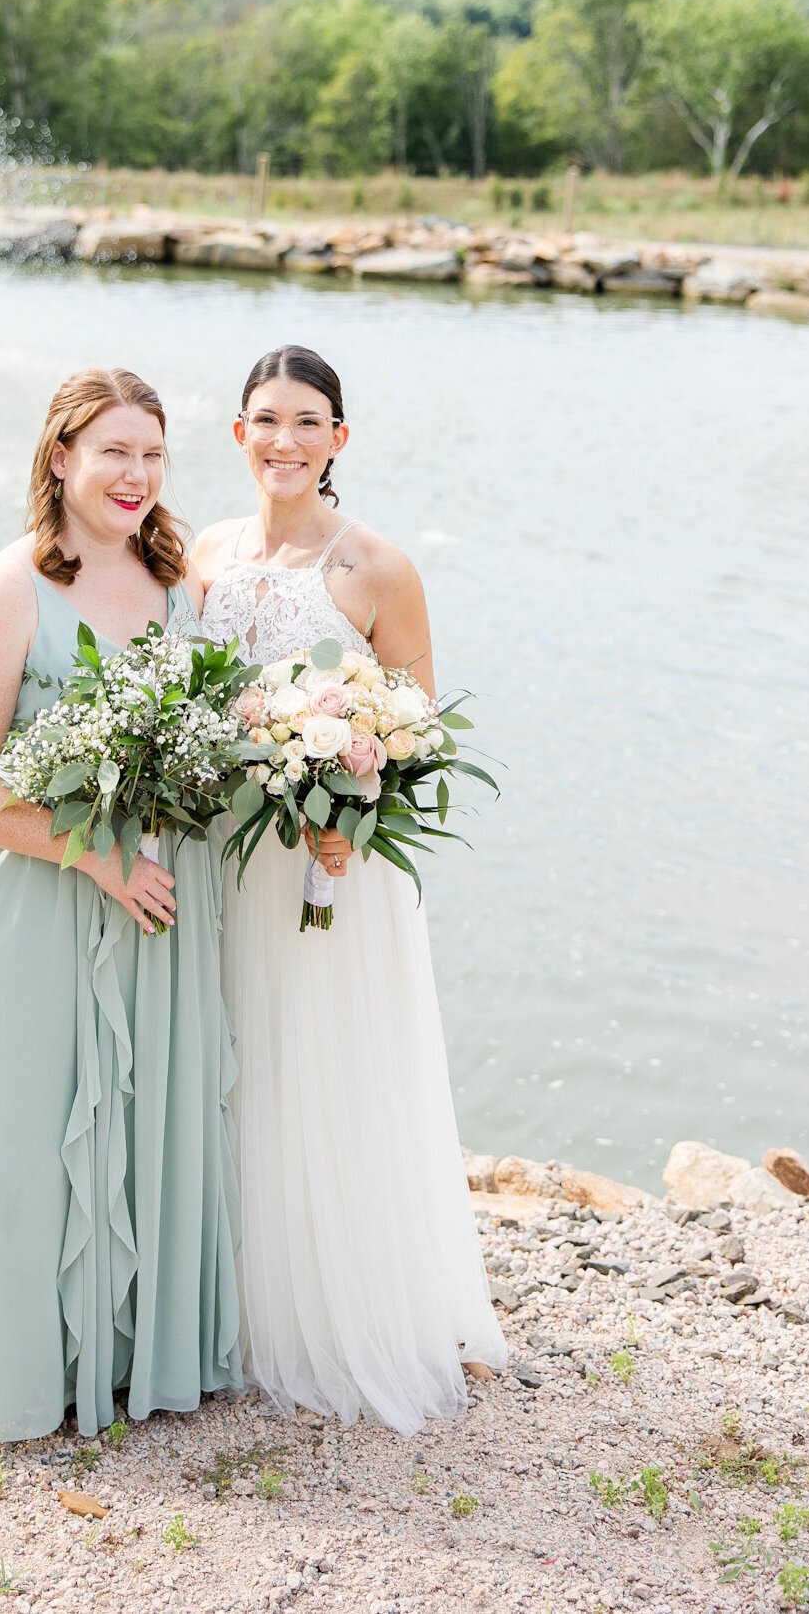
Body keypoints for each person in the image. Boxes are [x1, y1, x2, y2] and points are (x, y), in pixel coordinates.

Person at [192, 342, 505, 1433]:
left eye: (308, 421)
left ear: (339, 439)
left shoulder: (377, 568)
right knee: (232, 1060)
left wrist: (349, 826)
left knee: (327, 1064)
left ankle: (335, 1313)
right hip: (228, 849)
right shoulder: (198, 556)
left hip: (334, 861)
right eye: (265, 420)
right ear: (238, 434)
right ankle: (225, 1304)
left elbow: (416, 731)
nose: (285, 439)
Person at [0, 366, 240, 1442]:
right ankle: (22, 1382)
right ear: (60, 457)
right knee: (30, 1139)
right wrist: (96, 857)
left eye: (153, 454)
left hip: (155, 902)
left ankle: (130, 1363)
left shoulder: (181, 589)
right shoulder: (6, 591)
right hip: (38, 898)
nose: (136, 475)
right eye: (113, 451)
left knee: (152, 1122)